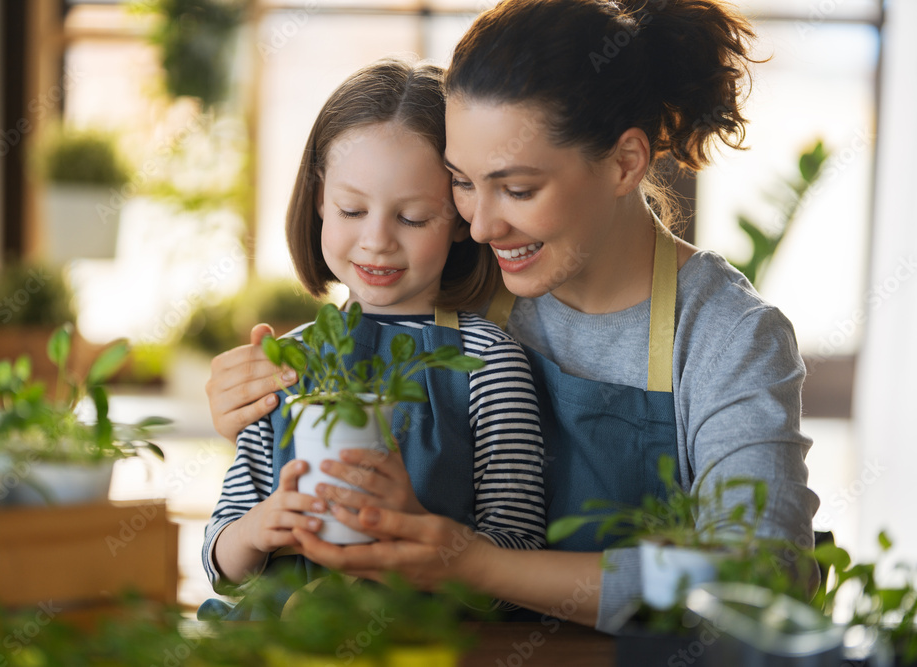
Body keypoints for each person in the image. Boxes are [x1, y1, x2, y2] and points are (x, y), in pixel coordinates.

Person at [205, 0, 819, 630]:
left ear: (625, 162)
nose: (479, 224)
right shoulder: (456, 284)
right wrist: (257, 404)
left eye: (518, 189)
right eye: (461, 184)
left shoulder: (727, 335)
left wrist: (472, 564)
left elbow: (762, 577)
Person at [201, 57, 548, 606]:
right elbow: (222, 563)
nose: (377, 241)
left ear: (460, 217)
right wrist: (256, 529)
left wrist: (414, 531)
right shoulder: (283, 360)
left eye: (412, 218)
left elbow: (519, 556)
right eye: (351, 209)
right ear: (319, 200)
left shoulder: (489, 361)